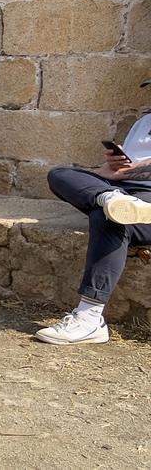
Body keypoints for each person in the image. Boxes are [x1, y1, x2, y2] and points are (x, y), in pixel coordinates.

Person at [36, 83, 151, 345]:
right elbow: (115, 171)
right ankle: (109, 198)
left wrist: (129, 171)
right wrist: (110, 168)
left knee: (108, 217)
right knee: (60, 174)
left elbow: (135, 169)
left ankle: (89, 319)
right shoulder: (143, 122)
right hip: (120, 190)